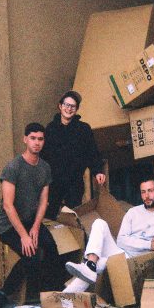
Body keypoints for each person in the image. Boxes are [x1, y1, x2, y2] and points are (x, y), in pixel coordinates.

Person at [28, 176, 154, 308]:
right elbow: (122, 241)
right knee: (99, 223)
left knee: (91, 271)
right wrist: (149, 244)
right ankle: (90, 264)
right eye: (143, 192)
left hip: (138, 261)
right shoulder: (133, 212)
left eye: (150, 191)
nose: (146, 196)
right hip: (122, 253)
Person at [0, 122, 61, 308]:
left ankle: (51, 292)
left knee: (51, 247)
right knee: (32, 256)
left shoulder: (44, 168)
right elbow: (8, 205)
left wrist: (35, 227)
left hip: (30, 222)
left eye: (40, 139)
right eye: (33, 138)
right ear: (25, 140)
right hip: (9, 226)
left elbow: (43, 201)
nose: (37, 143)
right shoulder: (13, 167)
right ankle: (3, 294)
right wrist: (24, 236)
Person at [41, 90, 105, 220]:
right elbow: (44, 156)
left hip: (74, 182)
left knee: (73, 216)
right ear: (60, 106)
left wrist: (98, 171)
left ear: (76, 109)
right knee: (50, 216)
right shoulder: (50, 129)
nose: (69, 109)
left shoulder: (83, 129)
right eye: (66, 105)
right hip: (54, 182)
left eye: (73, 106)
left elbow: (92, 152)